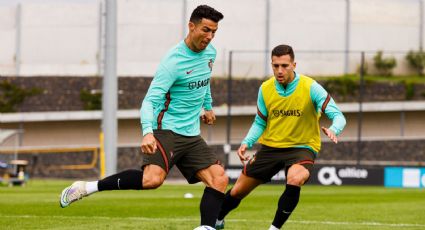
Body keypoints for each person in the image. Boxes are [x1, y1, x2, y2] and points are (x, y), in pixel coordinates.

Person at [59, 5, 227, 228]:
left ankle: (207, 226)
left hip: (192, 134)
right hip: (166, 129)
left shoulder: (210, 53)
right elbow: (150, 101)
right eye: (206, 30)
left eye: (214, 32)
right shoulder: (172, 62)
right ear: (191, 26)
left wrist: (207, 107)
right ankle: (87, 187)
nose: (210, 37)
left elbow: (204, 80)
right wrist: (148, 132)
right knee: (152, 180)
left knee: (219, 179)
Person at [215, 44, 346, 230]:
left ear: (294, 65)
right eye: (275, 66)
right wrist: (247, 142)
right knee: (237, 191)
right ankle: (217, 220)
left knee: (295, 178)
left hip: (302, 147)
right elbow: (260, 122)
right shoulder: (265, 89)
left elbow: (338, 116)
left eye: (284, 65)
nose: (279, 70)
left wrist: (335, 129)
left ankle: (274, 228)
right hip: (270, 148)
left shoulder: (311, 87)